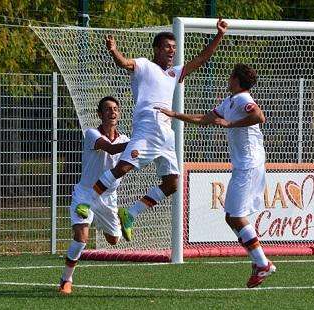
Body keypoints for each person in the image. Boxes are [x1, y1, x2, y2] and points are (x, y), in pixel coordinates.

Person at [91, 18, 228, 241]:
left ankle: (131, 213)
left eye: (174, 48)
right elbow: (124, 63)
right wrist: (114, 50)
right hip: (147, 129)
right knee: (123, 168)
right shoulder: (145, 65)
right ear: (156, 49)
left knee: (172, 183)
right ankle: (88, 199)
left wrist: (219, 35)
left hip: (166, 135)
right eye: (167, 47)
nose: (171, 51)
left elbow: (202, 59)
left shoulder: (174, 74)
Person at [157, 63, 276, 288]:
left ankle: (262, 264)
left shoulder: (242, 99)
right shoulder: (230, 101)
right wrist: (174, 114)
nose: (228, 78)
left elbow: (259, 116)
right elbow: (205, 119)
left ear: (236, 80)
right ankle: (260, 262)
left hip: (250, 164)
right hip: (244, 165)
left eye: (231, 76)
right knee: (231, 216)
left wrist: (230, 123)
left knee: (235, 216)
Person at [58, 96, 129, 295]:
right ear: (100, 114)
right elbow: (111, 148)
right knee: (81, 239)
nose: (112, 112)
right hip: (86, 195)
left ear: (119, 113)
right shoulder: (91, 134)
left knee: (114, 240)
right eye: (107, 109)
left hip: (108, 198)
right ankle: (66, 279)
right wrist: (139, 141)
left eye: (115, 108)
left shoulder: (125, 139)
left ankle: (119, 216)